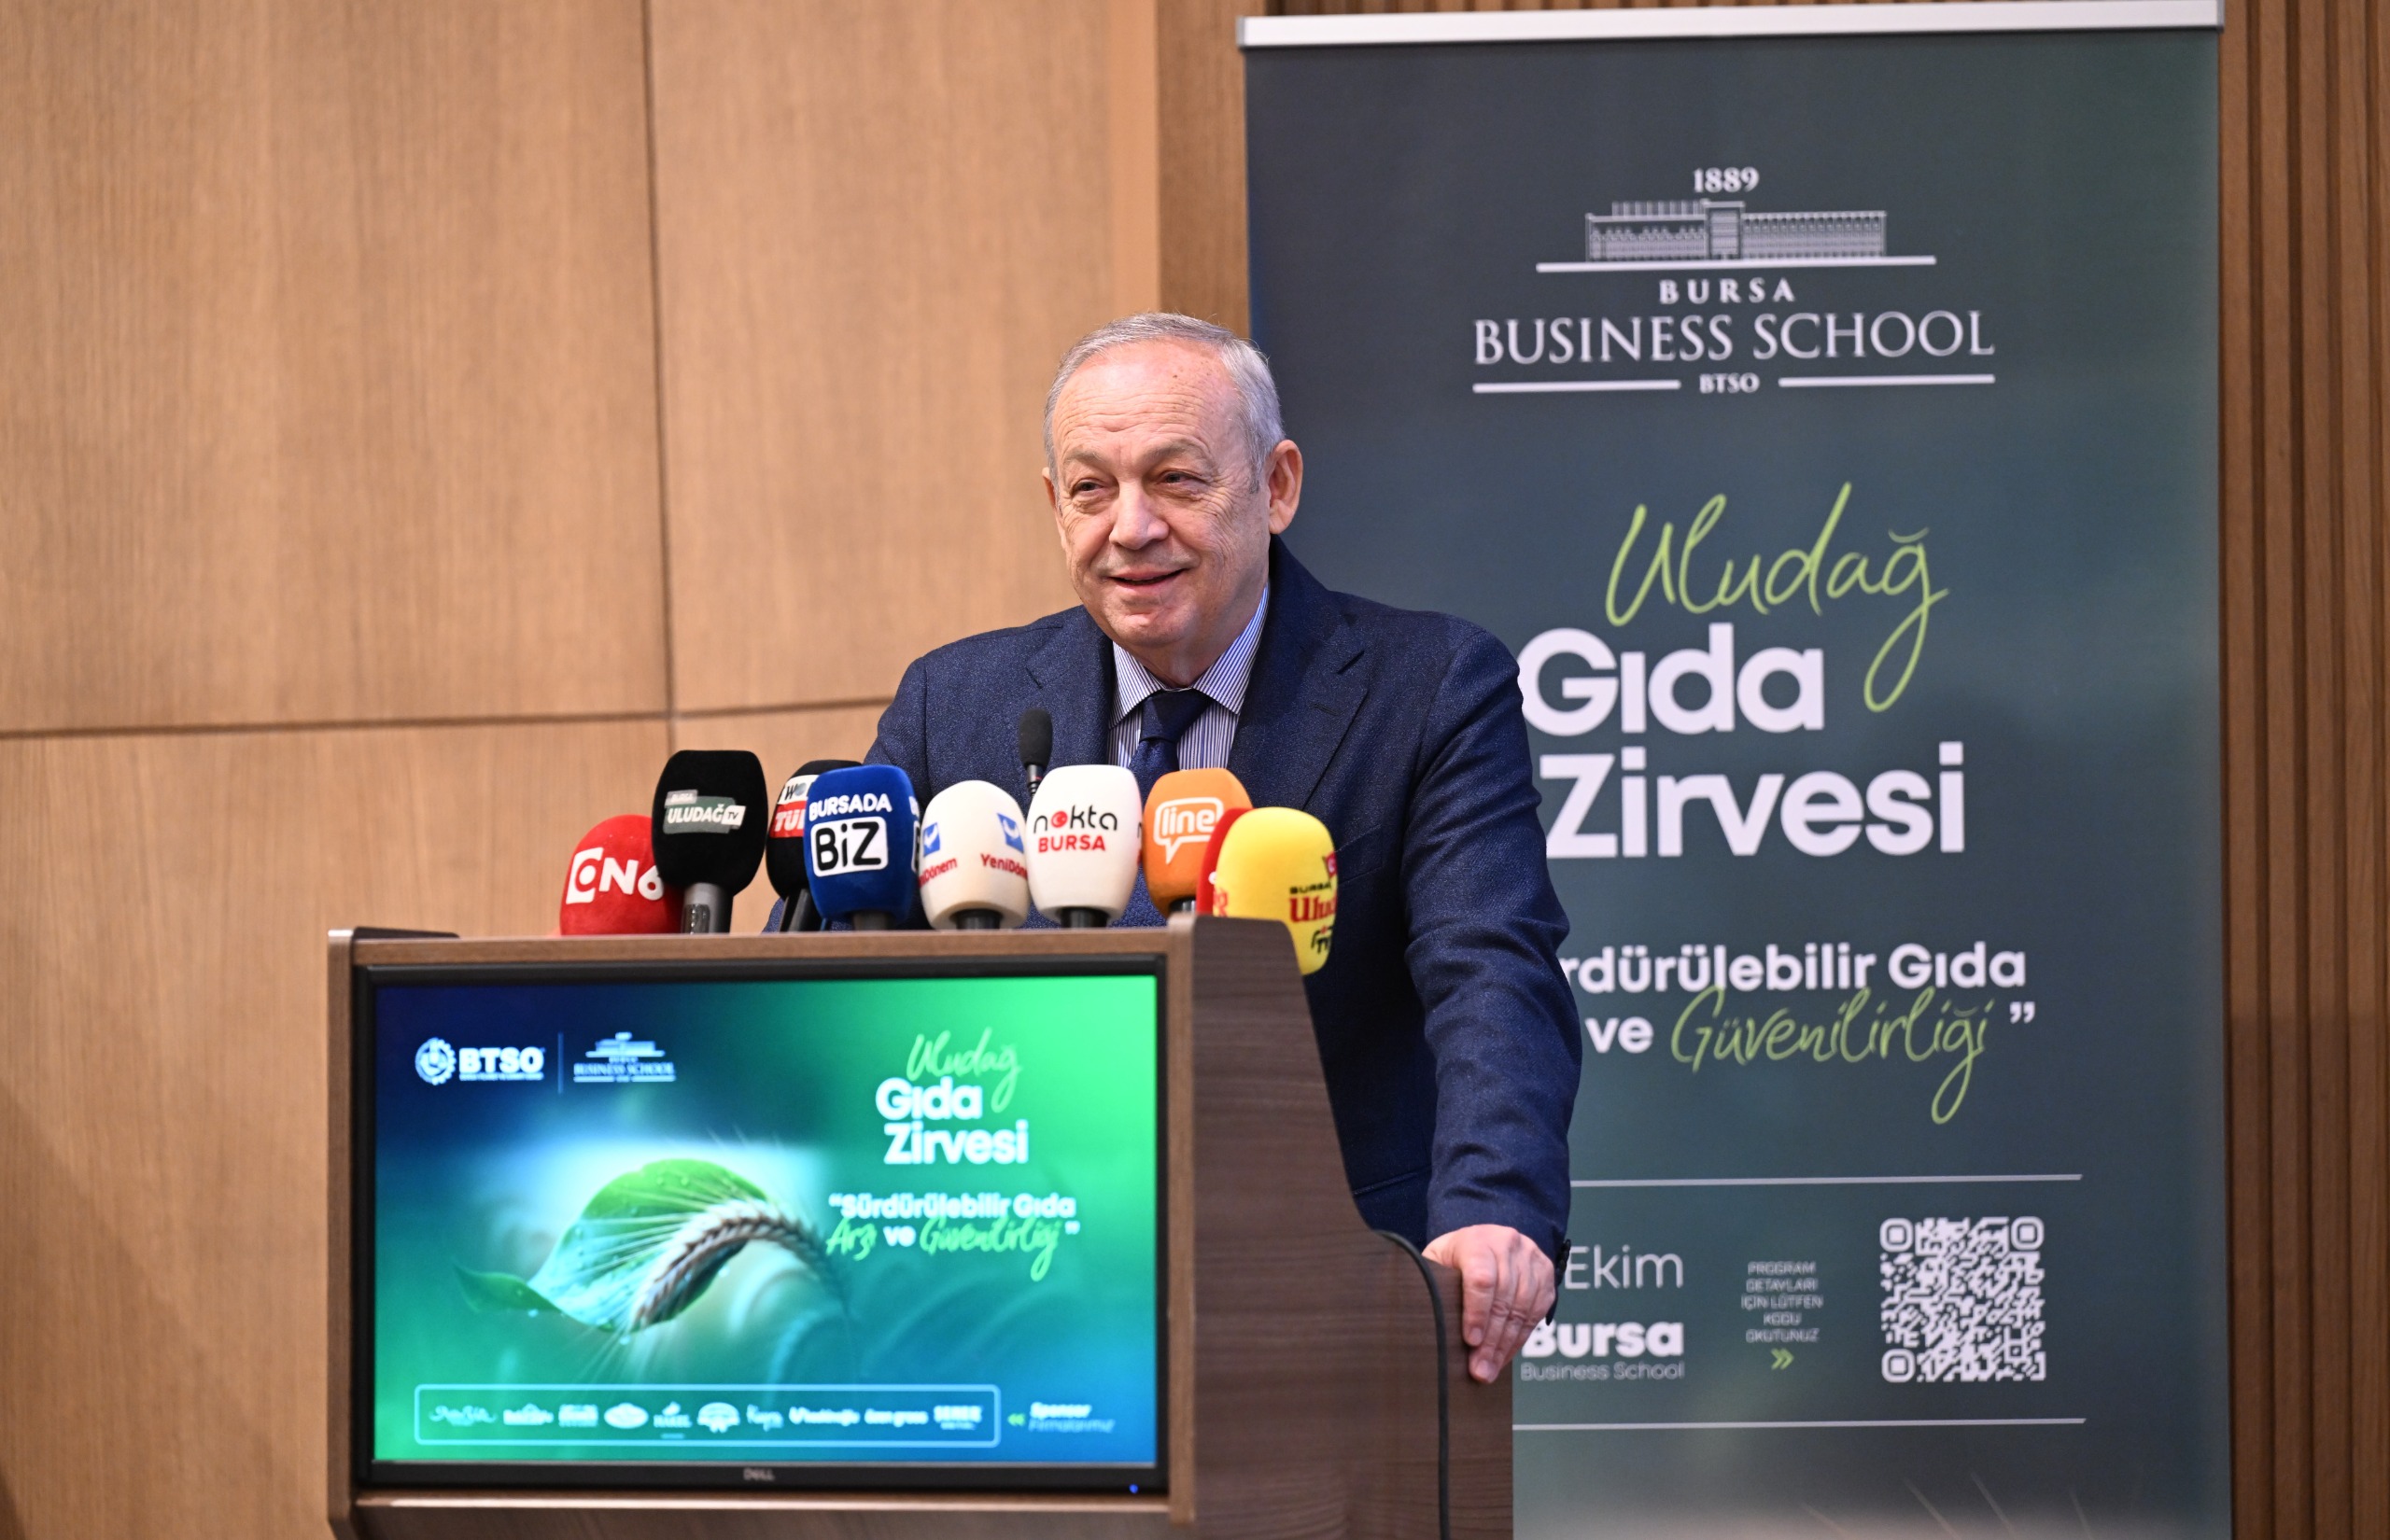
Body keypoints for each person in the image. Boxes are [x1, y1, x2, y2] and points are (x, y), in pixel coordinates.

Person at [866, 313, 1580, 1381]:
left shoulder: (1428, 687)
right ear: (1055, 505)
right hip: (1014, 1295)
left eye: (1176, 480)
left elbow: (1490, 969)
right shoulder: (952, 705)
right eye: (1092, 488)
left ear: (1276, 486)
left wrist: (1491, 1210)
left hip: (1327, 1290)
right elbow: (846, 977)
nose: (1131, 528)